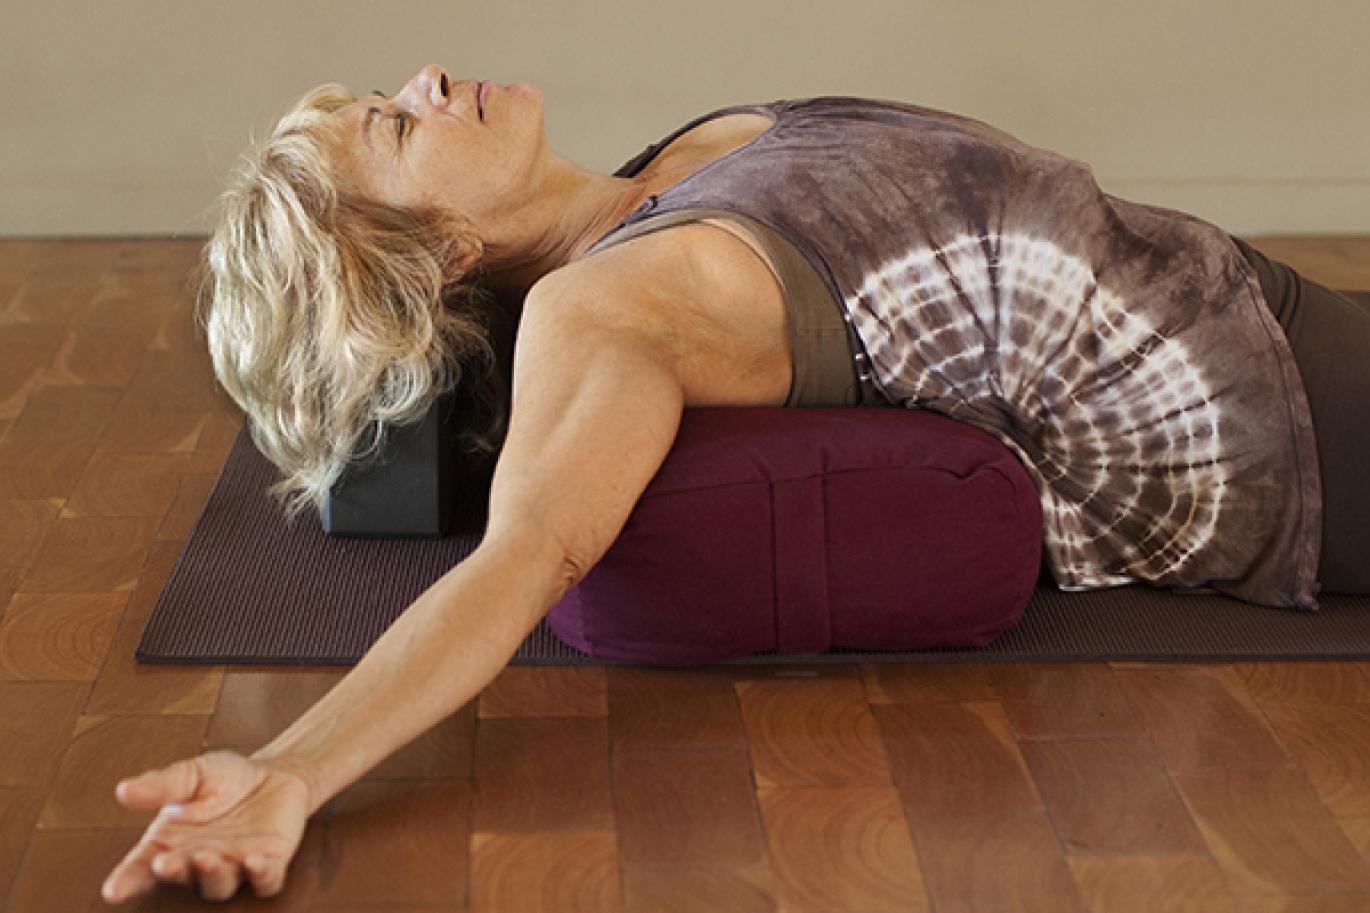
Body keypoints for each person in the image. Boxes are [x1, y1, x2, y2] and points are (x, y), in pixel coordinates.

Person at [102, 63, 1370, 903]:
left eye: (386, 92)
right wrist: (292, 768)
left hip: (1277, 308)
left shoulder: (680, 158)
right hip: (1305, 433)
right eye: (394, 124)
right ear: (439, 251)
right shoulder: (611, 307)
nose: (425, 80)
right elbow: (521, 556)